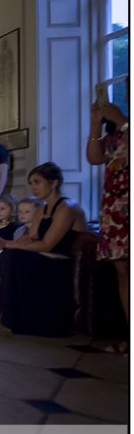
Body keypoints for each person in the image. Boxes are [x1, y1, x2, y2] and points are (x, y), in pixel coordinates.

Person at [0, 163, 89, 337]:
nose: (33, 187)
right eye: (31, 183)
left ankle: (41, 321)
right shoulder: (42, 208)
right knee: (9, 256)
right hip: (44, 257)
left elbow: (47, 244)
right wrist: (5, 243)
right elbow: (31, 237)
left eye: (37, 182)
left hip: (60, 263)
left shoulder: (67, 207)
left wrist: (8, 243)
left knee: (16, 256)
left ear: (54, 183)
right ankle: (14, 316)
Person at [87, 95, 129, 353]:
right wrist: (95, 125)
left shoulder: (123, 125)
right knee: (122, 271)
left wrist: (123, 123)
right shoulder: (114, 132)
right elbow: (94, 158)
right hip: (114, 208)